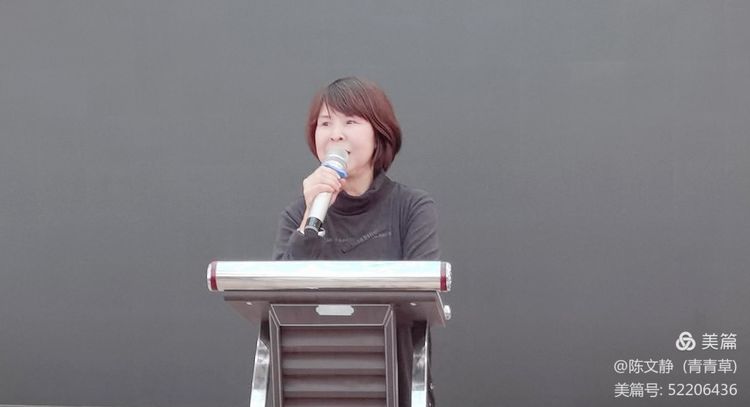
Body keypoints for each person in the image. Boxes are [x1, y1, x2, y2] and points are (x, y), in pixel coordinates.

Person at [272, 76, 439, 406]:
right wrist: (311, 217)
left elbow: (421, 299)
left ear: (379, 134)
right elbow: (280, 302)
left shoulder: (411, 209)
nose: (335, 134)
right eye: (325, 123)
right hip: (310, 387)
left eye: (350, 121)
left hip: (392, 388)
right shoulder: (296, 217)